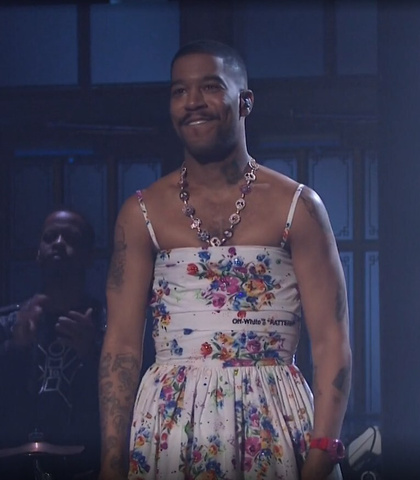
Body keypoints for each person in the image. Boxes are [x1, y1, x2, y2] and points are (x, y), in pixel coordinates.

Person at [98, 39, 352, 480]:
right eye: (179, 91)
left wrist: (322, 453)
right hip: (168, 430)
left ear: (245, 102)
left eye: (210, 87)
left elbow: (332, 341)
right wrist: (111, 461)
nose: (192, 101)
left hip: (276, 426)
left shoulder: (298, 207)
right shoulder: (141, 213)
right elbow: (120, 346)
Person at [0, 208, 106, 480]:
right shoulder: (8, 323)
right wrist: (14, 349)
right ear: (38, 252)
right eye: (50, 237)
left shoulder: (109, 325)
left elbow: (122, 405)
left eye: (71, 238)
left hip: (83, 469)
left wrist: (92, 355)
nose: (59, 243)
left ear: (89, 256)